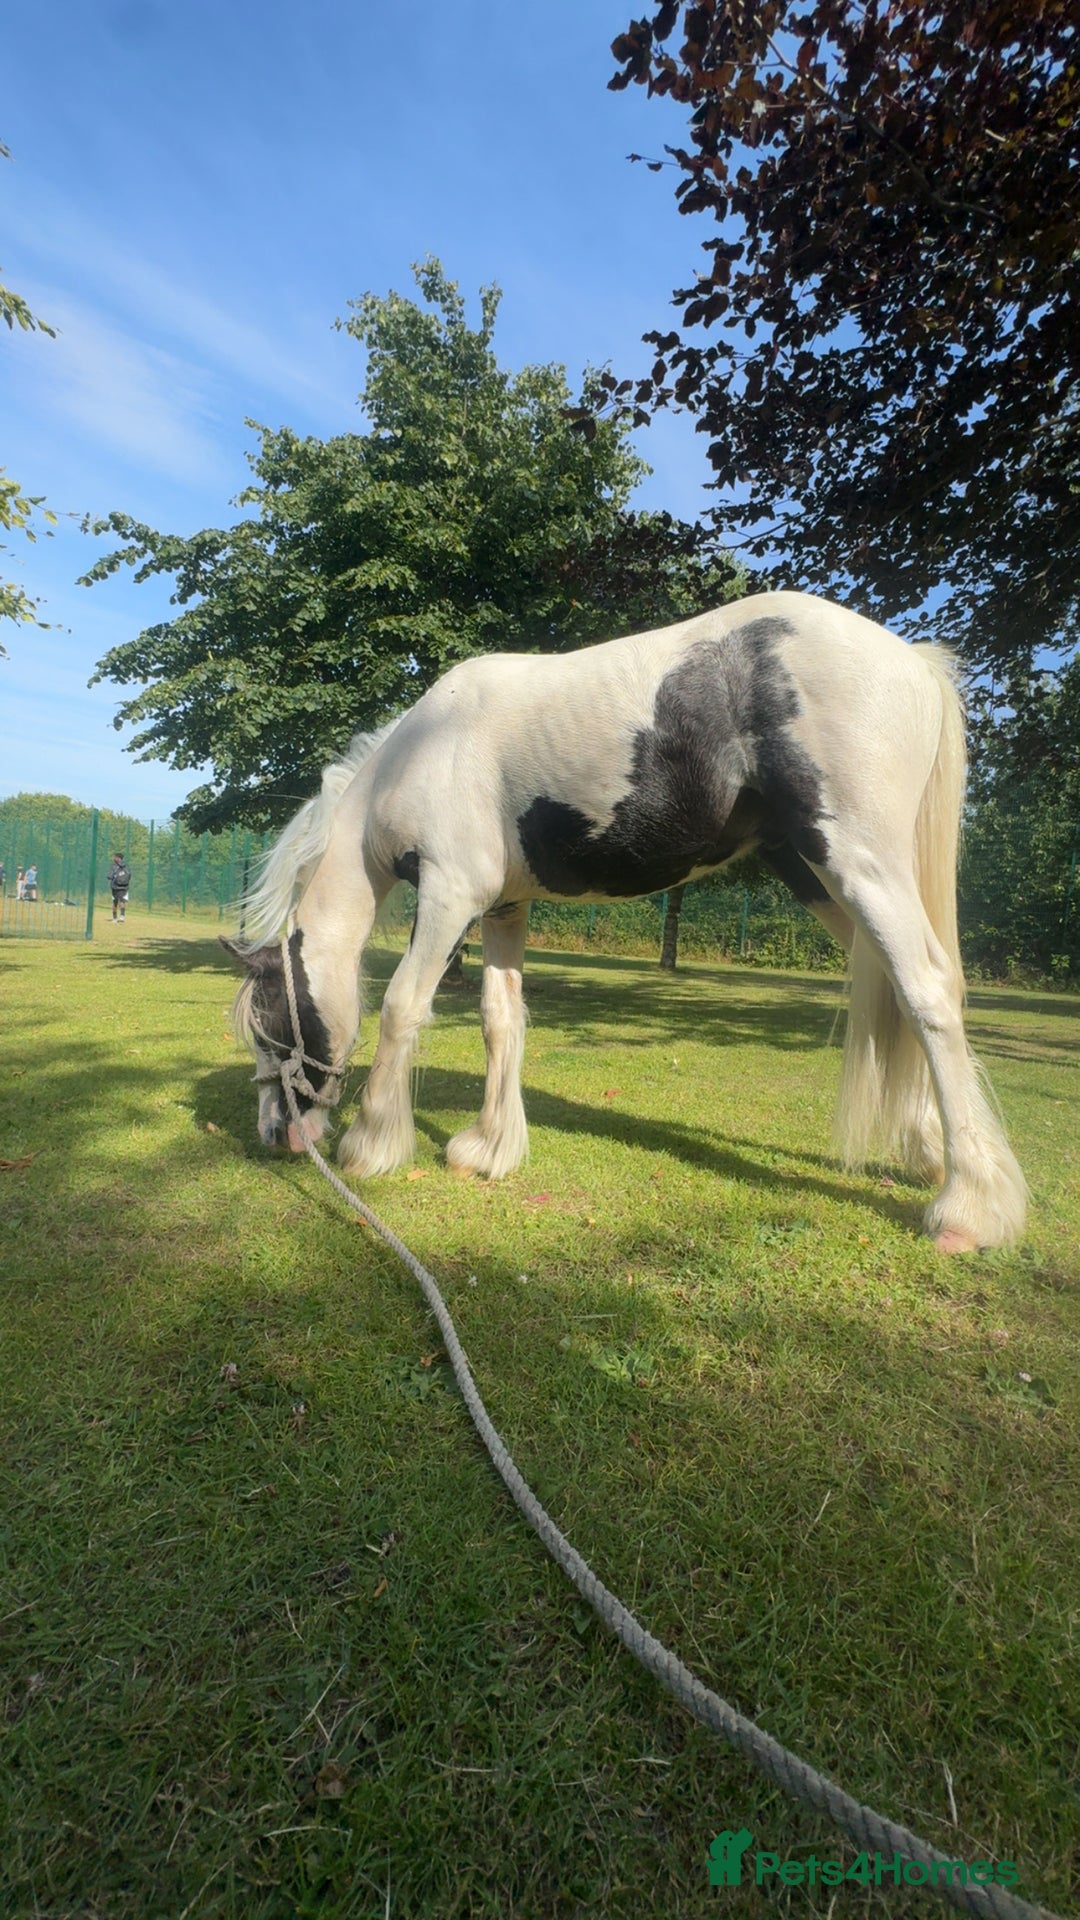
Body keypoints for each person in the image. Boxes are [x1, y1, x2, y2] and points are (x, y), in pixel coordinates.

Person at [109, 852, 131, 922]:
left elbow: (109, 876)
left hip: (115, 887)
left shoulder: (114, 866)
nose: (113, 858)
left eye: (114, 857)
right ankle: (122, 916)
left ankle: (114, 918)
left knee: (115, 902)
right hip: (124, 887)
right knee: (122, 901)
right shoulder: (126, 866)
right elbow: (129, 875)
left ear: (118, 858)